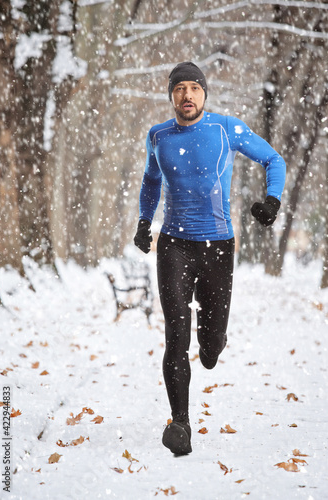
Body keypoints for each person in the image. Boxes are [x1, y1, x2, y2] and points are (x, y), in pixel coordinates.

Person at [134, 61, 286, 455]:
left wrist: (272, 200)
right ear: (171, 95)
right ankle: (180, 423)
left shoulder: (226, 128)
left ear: (205, 94)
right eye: (180, 88)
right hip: (174, 246)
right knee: (175, 335)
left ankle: (212, 344)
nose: (187, 95)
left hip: (218, 246)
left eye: (194, 88)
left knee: (211, 345)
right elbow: (151, 182)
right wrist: (143, 222)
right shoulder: (158, 136)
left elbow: (274, 160)